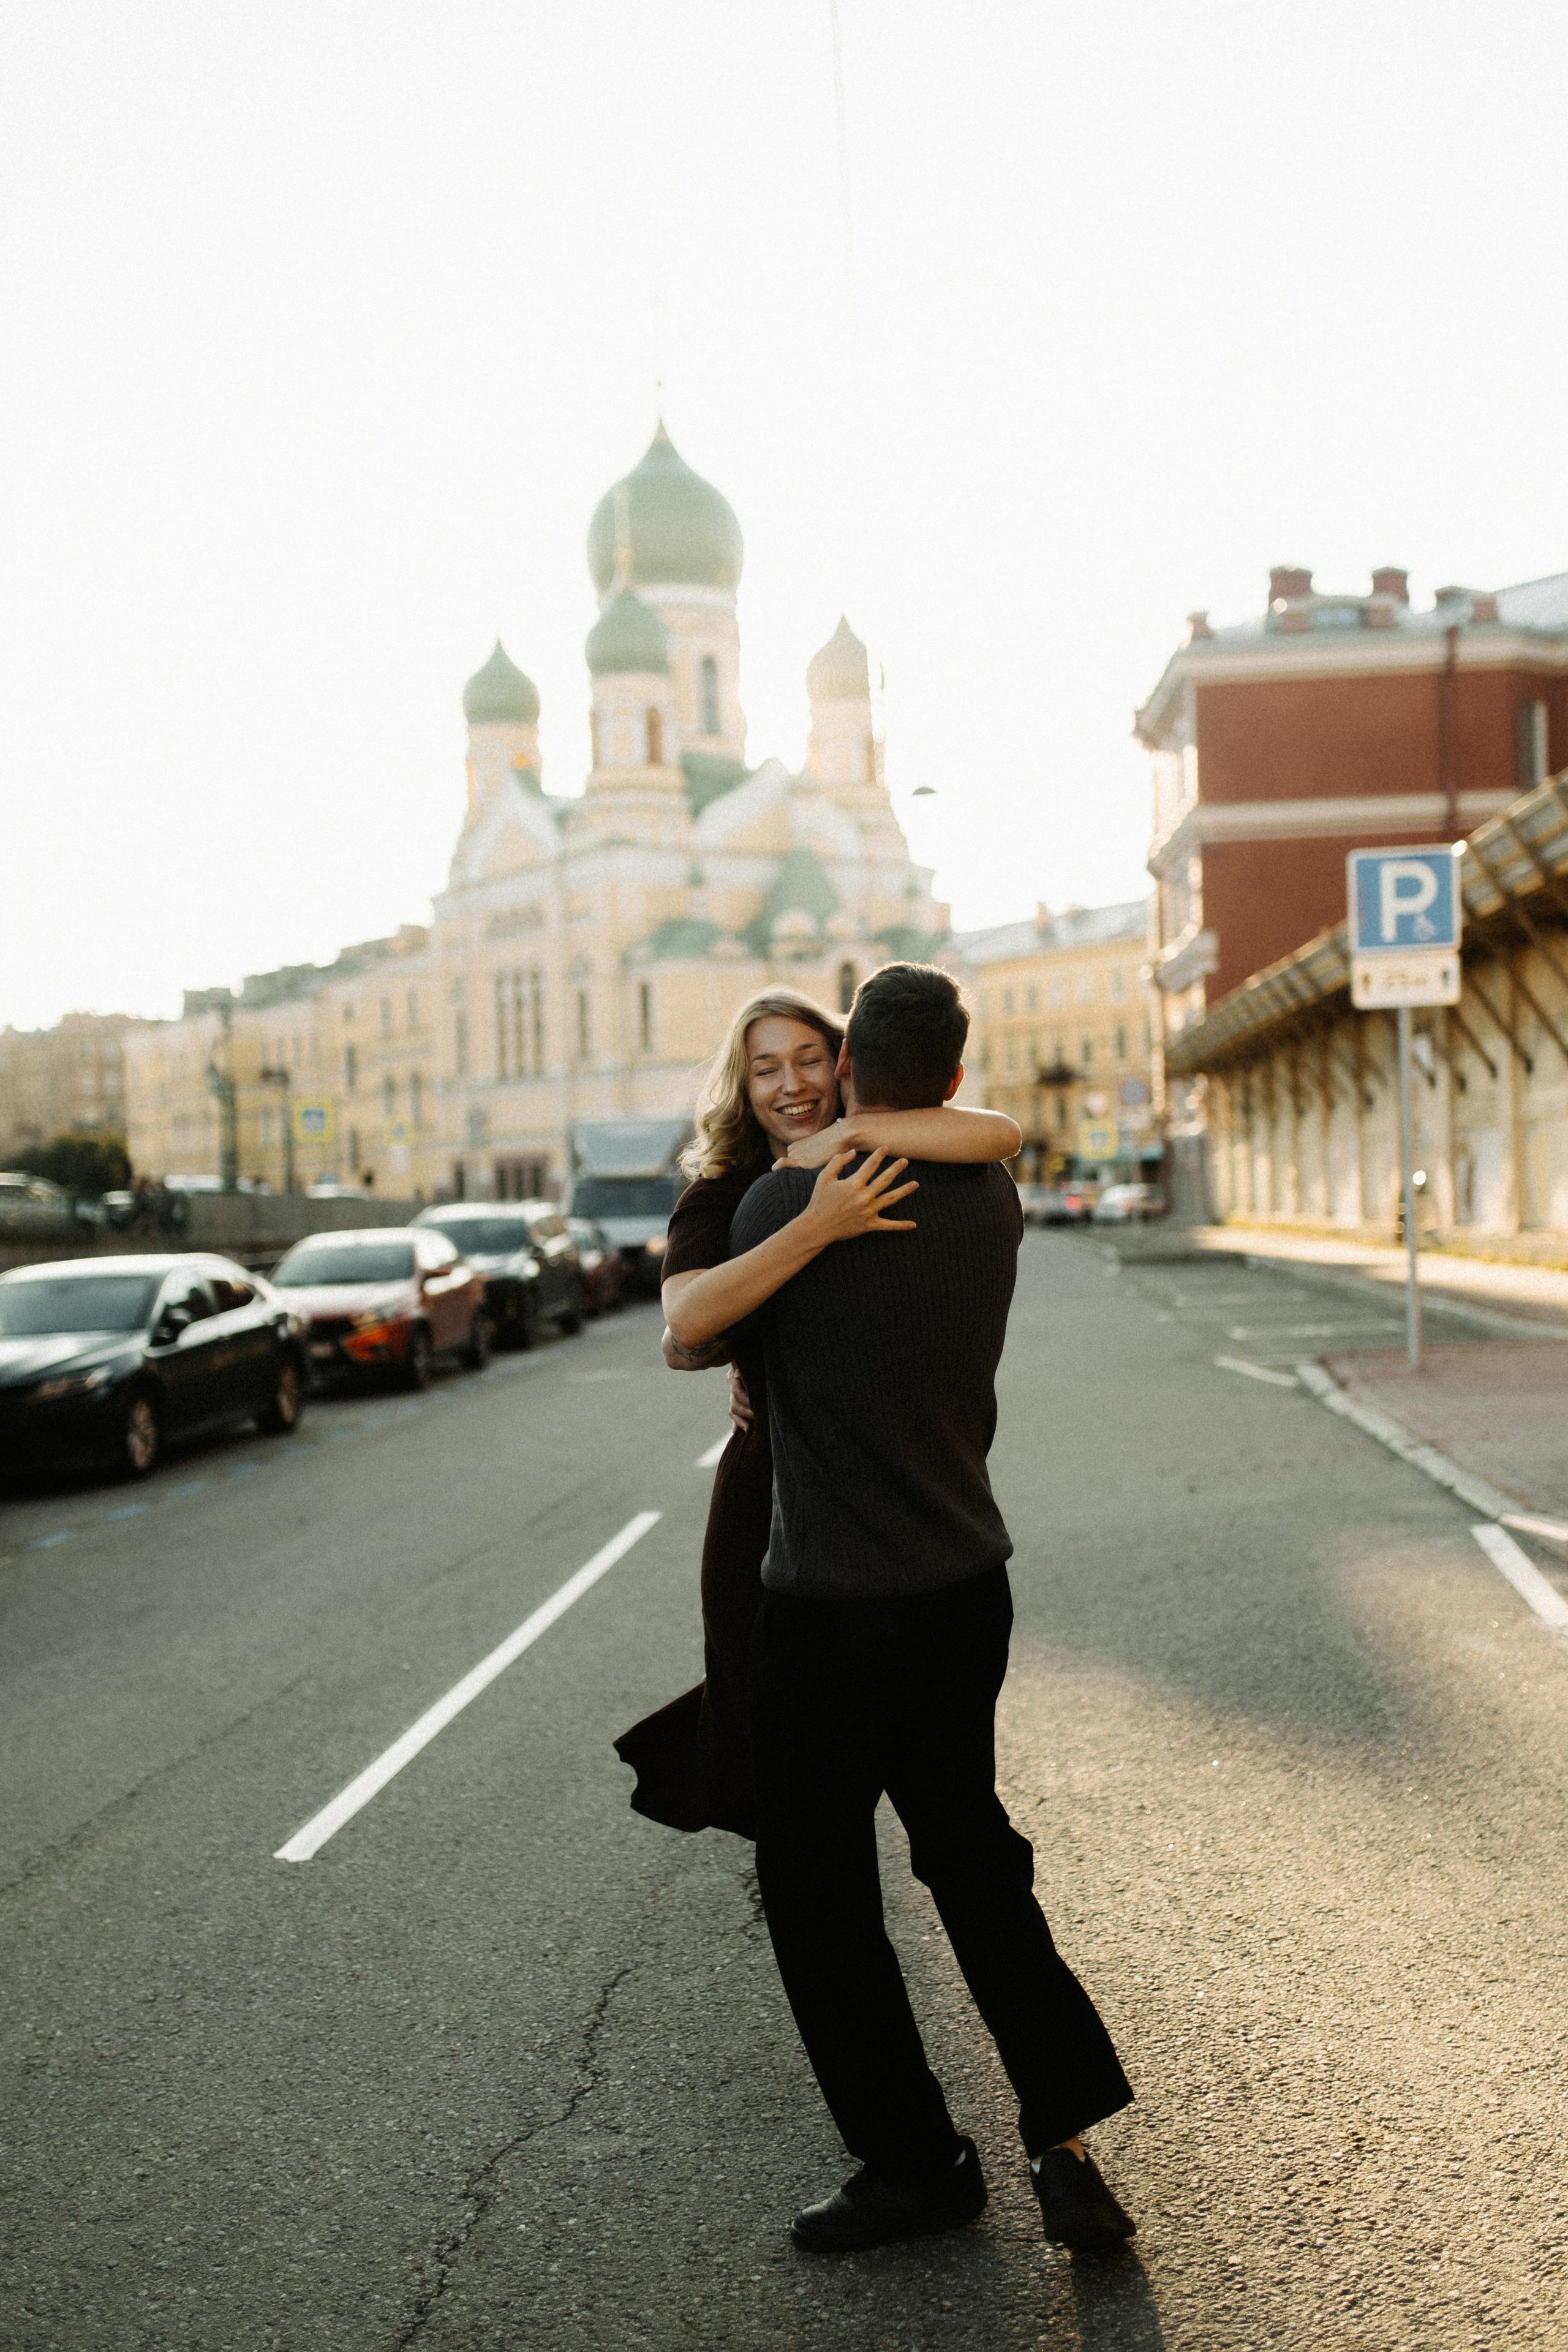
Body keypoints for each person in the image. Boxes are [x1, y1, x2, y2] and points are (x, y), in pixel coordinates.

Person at [726, 962, 1136, 2258]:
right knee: (971, 1860)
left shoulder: (782, 1203)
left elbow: (693, 1334)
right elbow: (976, 1133)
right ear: (952, 1076)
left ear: (847, 1073)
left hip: (828, 1612)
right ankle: (1060, 2139)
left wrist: (805, 1177)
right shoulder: (992, 1194)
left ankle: (913, 2163)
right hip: (963, 1591)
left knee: (817, 1888)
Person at [614, 986, 1020, 1838]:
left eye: (808, 1060)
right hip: (769, 1493)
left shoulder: (872, 1147)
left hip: (882, 1493)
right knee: (776, 1751)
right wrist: (817, 1225)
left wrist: (851, 1135)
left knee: (875, 1759)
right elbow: (683, 1327)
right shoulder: (727, 1194)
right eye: (766, 1069)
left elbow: (999, 1134)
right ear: (743, 1085)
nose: (791, 1084)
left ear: (843, 1066)